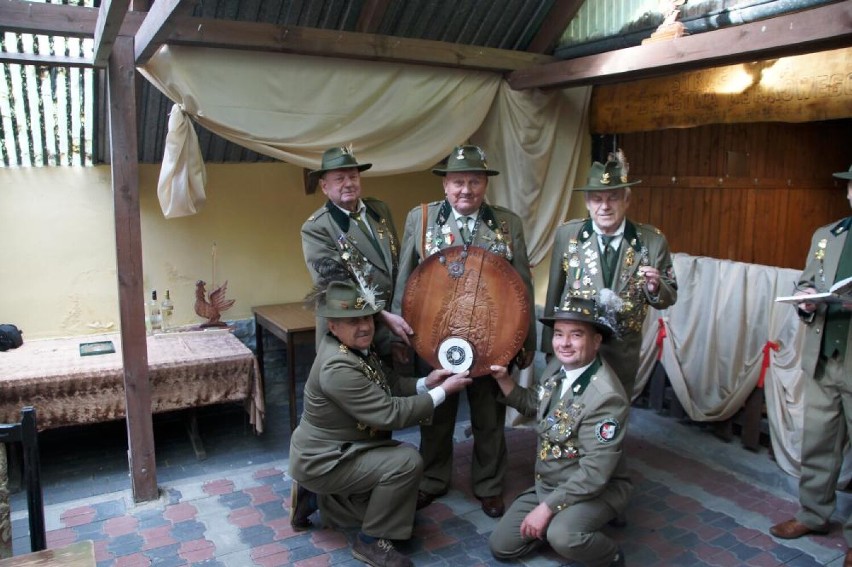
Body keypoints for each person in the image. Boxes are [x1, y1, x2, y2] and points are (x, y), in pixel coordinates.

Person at [391, 144, 536, 518]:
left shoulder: (508, 223)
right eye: (458, 182)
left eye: (474, 181)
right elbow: (404, 280)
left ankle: (488, 485)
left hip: (492, 340)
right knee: (435, 414)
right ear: (445, 185)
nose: (465, 190)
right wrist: (400, 335)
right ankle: (432, 480)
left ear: (485, 184)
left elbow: (522, 284)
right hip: (434, 338)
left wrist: (525, 339)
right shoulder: (420, 220)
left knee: (488, 418)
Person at [288, 278, 472, 567]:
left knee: (401, 511)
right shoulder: (337, 366)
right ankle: (370, 543)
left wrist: (427, 382)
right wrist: (442, 392)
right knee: (406, 462)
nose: (364, 326)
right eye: (353, 321)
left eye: (367, 317)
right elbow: (389, 413)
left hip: (345, 449)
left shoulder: (355, 347)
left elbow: (390, 382)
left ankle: (315, 499)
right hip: (324, 459)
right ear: (333, 326)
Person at [488, 295, 631, 567]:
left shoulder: (606, 398)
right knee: (501, 547)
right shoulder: (559, 366)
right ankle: (557, 521)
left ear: (596, 341)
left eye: (576, 335)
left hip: (596, 488)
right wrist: (504, 380)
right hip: (550, 482)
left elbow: (594, 475)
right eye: (559, 334)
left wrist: (546, 509)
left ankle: (610, 555)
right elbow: (535, 403)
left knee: (563, 537)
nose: (564, 344)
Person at [542, 151, 677, 399]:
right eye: (597, 199)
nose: (604, 206)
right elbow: (555, 291)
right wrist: (548, 344)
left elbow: (669, 296)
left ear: (627, 200)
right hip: (576, 344)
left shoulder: (652, 241)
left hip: (622, 349)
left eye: (613, 198)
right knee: (569, 409)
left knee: (611, 415)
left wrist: (655, 287)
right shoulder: (568, 235)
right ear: (587, 202)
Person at [769, 165, 852, 567]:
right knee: (817, 443)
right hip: (822, 358)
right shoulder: (827, 236)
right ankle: (813, 515)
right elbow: (806, 282)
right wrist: (804, 298)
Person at [301, 145, 412, 359]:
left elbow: (395, 266)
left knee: (398, 388)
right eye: (340, 178)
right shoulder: (317, 227)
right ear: (324, 186)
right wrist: (382, 316)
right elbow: (336, 286)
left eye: (353, 176)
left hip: (391, 327)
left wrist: (396, 318)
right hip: (349, 332)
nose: (349, 183)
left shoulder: (379, 210)